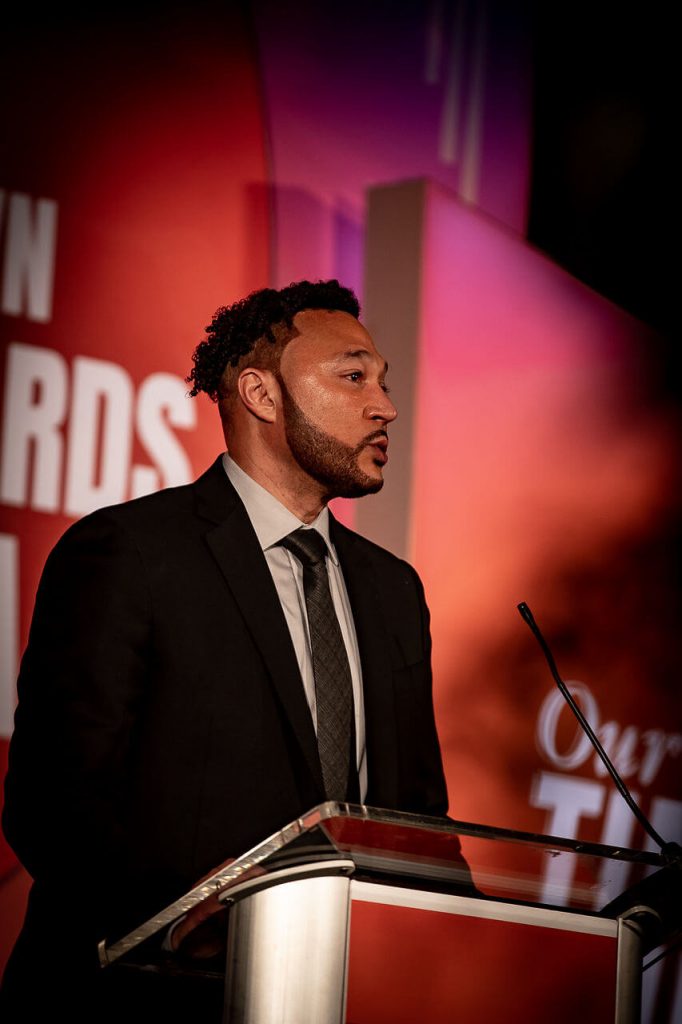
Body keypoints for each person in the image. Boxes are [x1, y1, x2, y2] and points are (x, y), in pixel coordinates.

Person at [1, 279, 448, 1019]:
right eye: (353, 377)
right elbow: (53, 805)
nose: (385, 407)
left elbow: (419, 822)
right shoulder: (129, 553)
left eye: (384, 382)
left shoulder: (393, 589)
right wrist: (191, 919)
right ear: (261, 394)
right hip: (143, 1000)